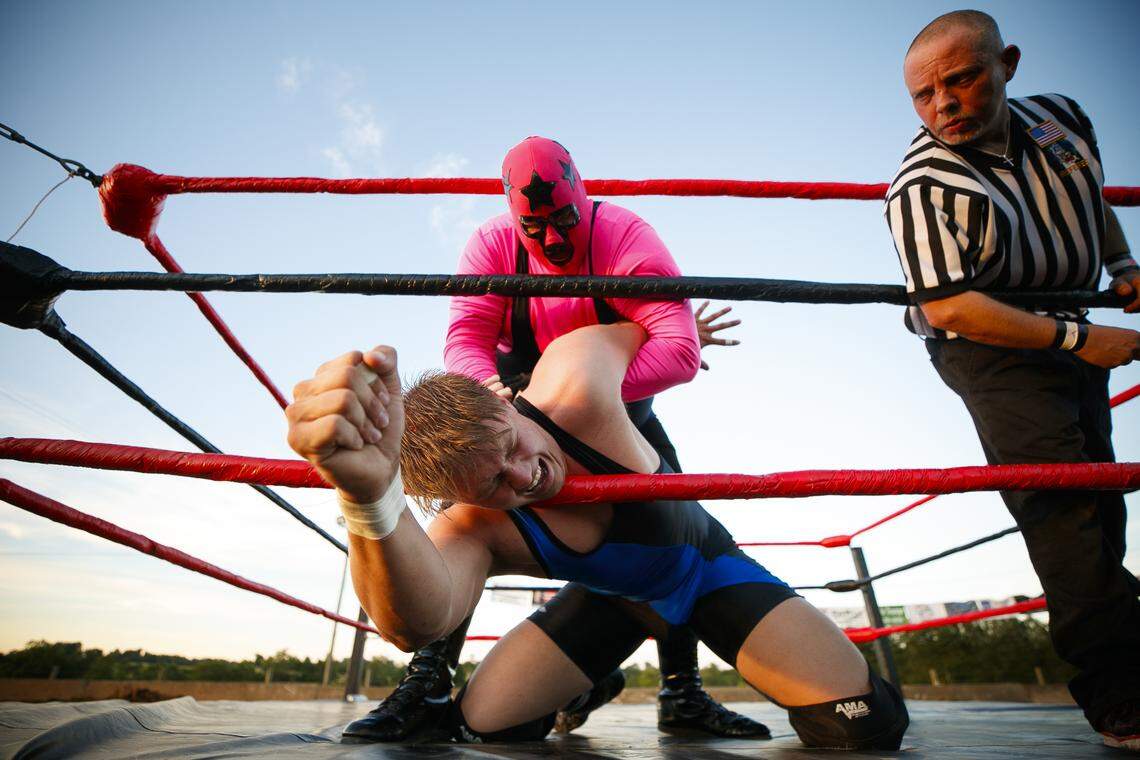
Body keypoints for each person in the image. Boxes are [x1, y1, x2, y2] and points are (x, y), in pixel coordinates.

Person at [285, 323, 910, 749]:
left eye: (512, 447)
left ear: (503, 400)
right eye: (493, 485)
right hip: (610, 605)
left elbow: (647, 322)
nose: (524, 476)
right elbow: (414, 624)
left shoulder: (576, 380)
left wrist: (683, 332)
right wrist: (367, 498)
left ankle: (648, 674)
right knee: (485, 729)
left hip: (707, 575)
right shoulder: (474, 523)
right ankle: (592, 680)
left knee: (862, 726)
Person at [346, 135, 755, 743]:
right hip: (509, 402)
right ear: (515, 215)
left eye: (564, 218)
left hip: (615, 405)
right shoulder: (492, 244)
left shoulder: (622, 234)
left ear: (583, 200)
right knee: (468, 503)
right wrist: (489, 390)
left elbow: (678, 352)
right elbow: (467, 331)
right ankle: (427, 681)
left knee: (674, 518)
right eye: (536, 224)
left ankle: (683, 692)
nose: (553, 235)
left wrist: (589, 395)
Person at [885, 10, 1140, 751]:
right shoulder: (922, 185)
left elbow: (1092, 197)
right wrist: (1080, 337)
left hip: (1073, 324)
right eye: (924, 94)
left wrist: (1121, 267)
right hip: (985, 343)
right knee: (1060, 501)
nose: (944, 106)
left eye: (961, 79)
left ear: (1008, 65)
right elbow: (950, 302)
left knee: (1103, 490)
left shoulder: (1062, 119)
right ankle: (1120, 696)